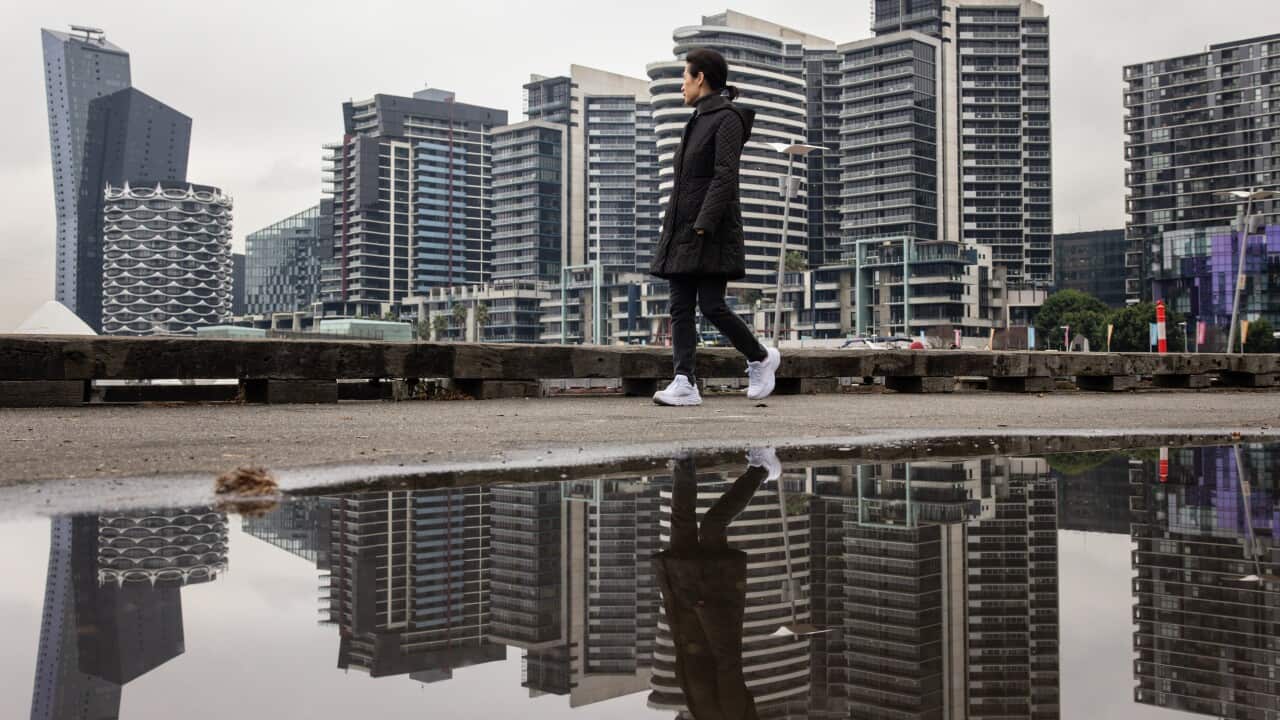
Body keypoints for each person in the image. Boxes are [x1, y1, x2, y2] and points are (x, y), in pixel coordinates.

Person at [649, 48, 779, 407]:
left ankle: (761, 357)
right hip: (683, 227)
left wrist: (703, 225)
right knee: (679, 306)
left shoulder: (728, 119)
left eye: (684, 78)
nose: (681, 87)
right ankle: (684, 382)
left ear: (700, 77)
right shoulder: (697, 120)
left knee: (710, 305)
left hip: (709, 230)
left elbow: (725, 177)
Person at [654, 448, 782, 720]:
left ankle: (684, 464)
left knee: (682, 520)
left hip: (687, 599)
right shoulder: (732, 714)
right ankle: (761, 470)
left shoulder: (704, 714)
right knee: (712, 524)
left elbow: (686, 660)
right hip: (709, 596)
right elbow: (727, 660)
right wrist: (704, 609)